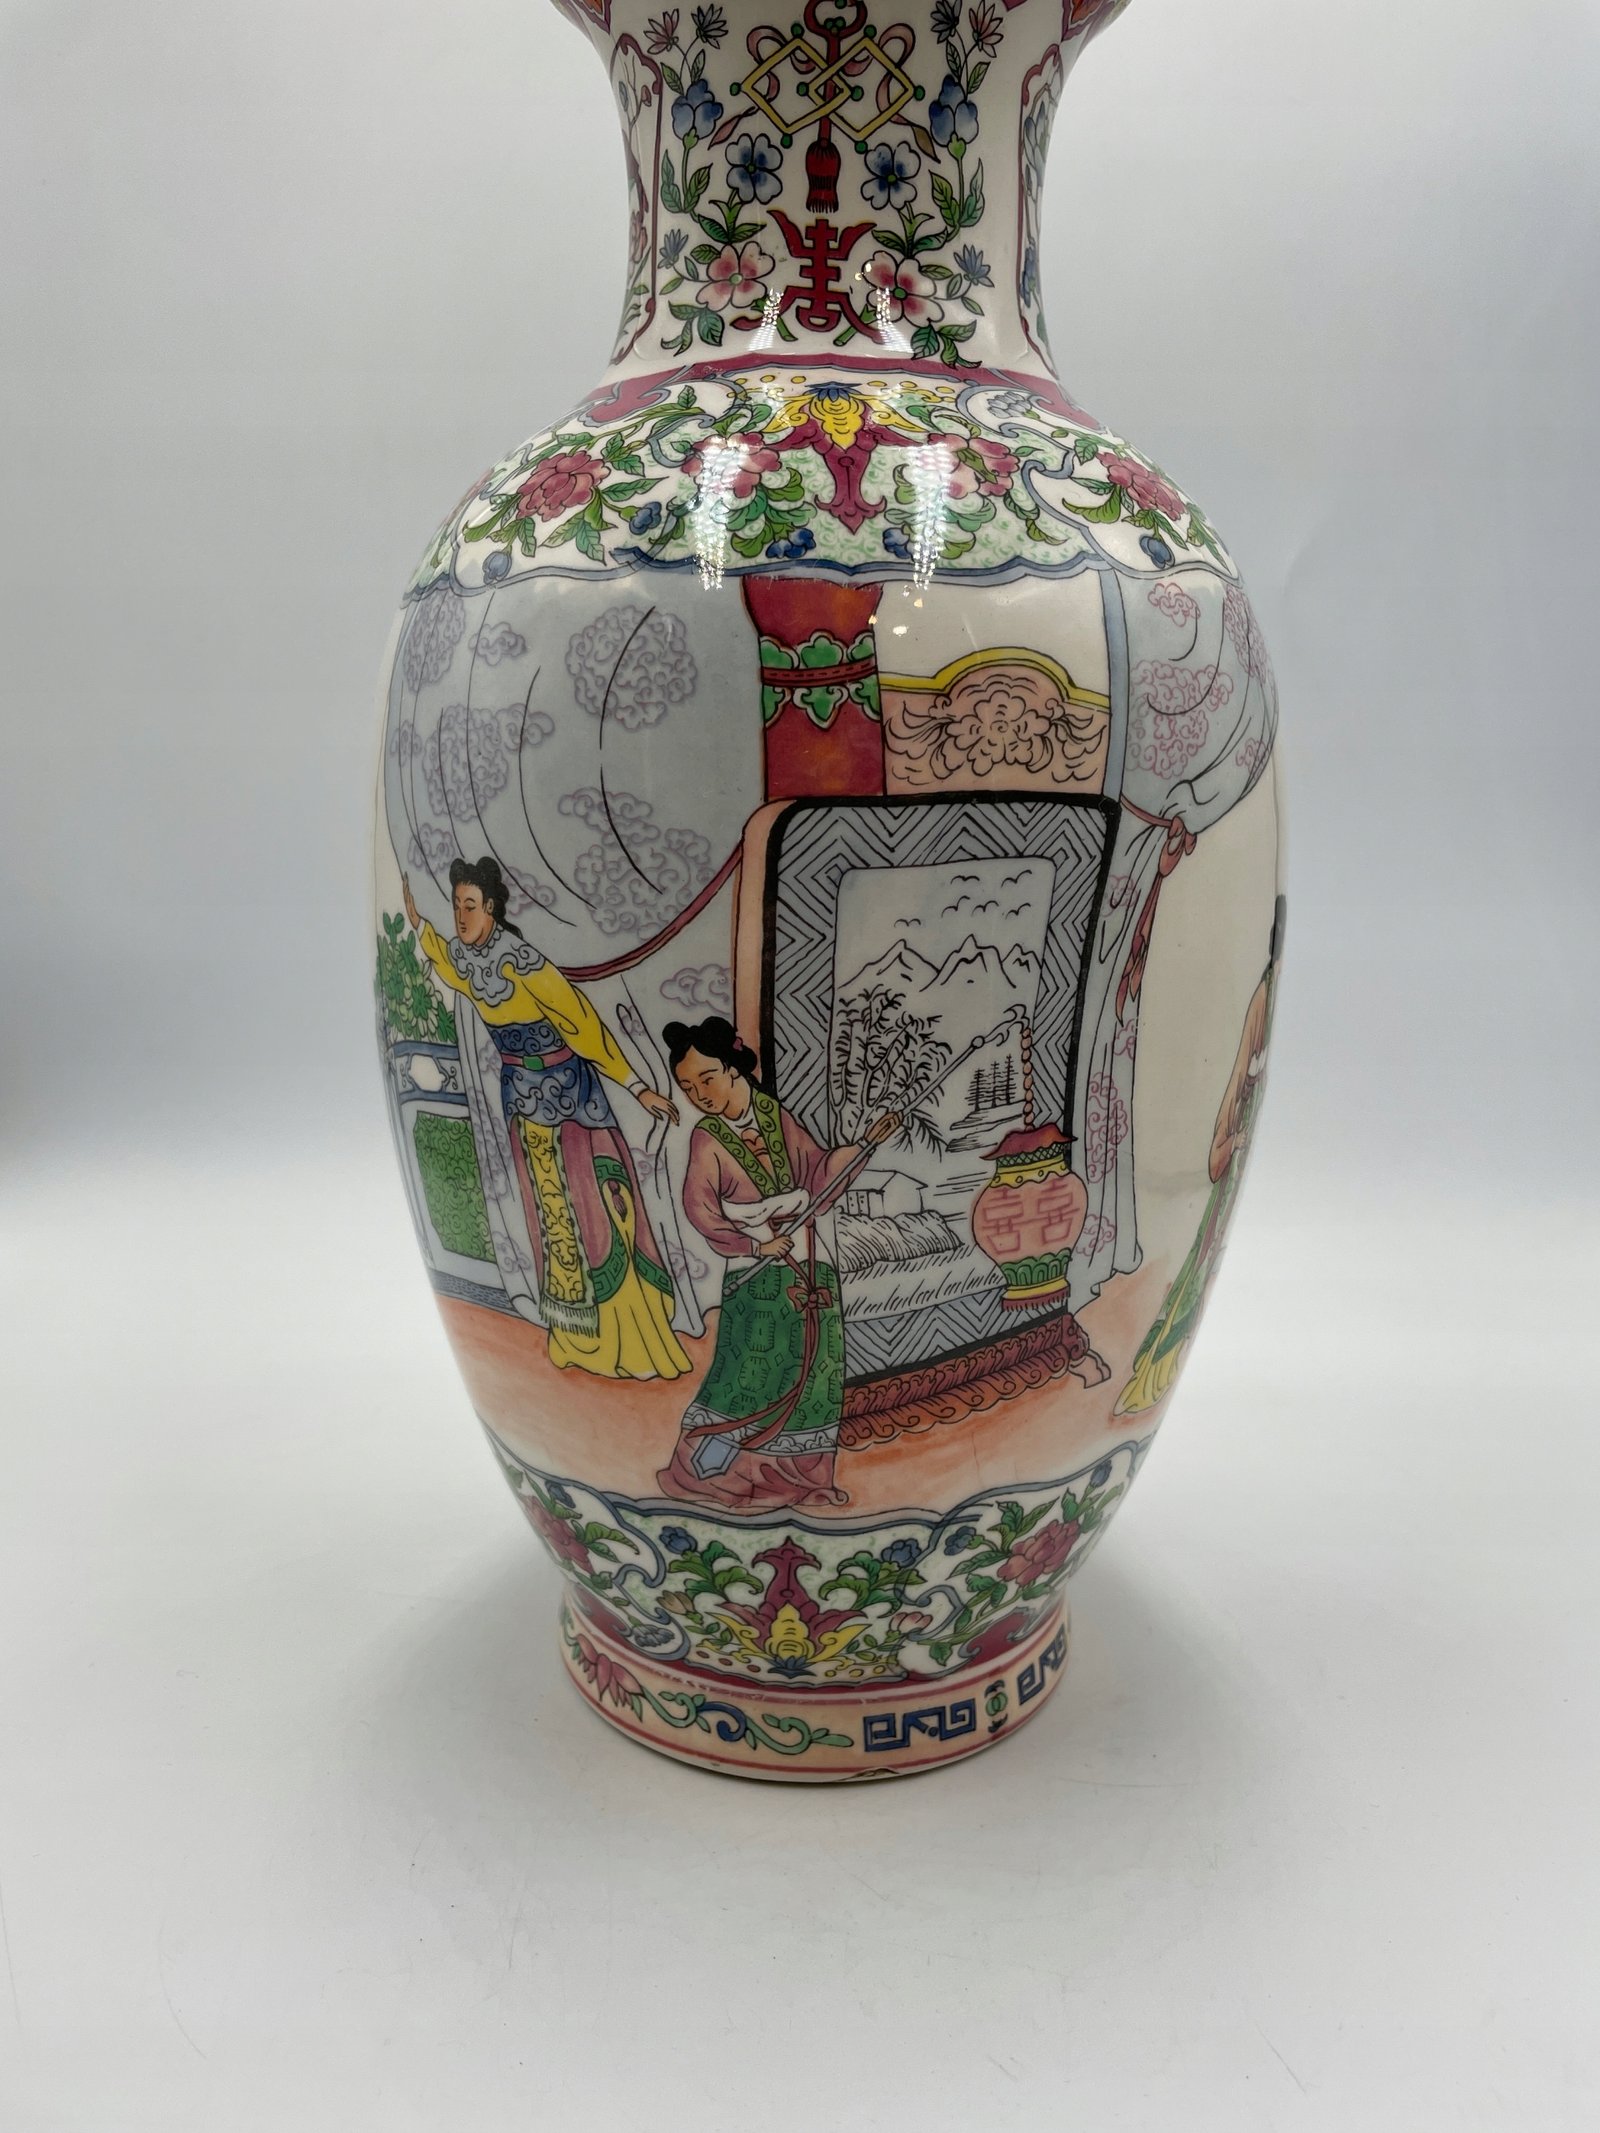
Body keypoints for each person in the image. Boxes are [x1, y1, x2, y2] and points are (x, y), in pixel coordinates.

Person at [403, 858, 691, 1381]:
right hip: (522, 1099)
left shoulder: (522, 963)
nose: (461, 916)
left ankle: (631, 1339)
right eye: (456, 906)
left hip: (572, 1100)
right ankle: (578, 1341)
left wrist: (636, 1087)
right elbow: (445, 962)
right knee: (552, 1216)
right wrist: (420, 925)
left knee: (599, 1210)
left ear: (492, 908)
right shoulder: (470, 962)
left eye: (470, 906)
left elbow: (581, 1023)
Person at [656, 1018, 900, 1511]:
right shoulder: (707, 1137)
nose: (699, 1095)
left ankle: (803, 1477)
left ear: (733, 1068)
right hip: (757, 1268)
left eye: (706, 1079)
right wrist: (752, 1246)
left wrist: (863, 1147)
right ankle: (719, 1470)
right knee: (750, 1368)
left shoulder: (773, 1114)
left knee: (817, 1364)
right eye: (688, 1087)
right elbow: (699, 1209)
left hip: (809, 1257)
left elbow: (817, 1172)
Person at [1115, 898, 1286, 1417]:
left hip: (1229, 1158)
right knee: (1198, 1258)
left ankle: (1155, 1367)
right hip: (1230, 1145)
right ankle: (1151, 1367)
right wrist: (1224, 1142)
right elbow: (1238, 1080)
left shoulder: (1264, 989)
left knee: (1198, 1257)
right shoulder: (1259, 997)